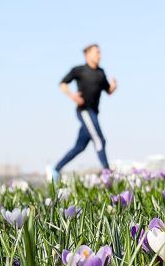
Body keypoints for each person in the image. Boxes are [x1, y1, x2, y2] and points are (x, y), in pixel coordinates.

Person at [50, 44, 117, 180]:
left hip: (94, 112)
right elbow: (62, 84)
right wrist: (72, 96)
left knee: (79, 147)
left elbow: (108, 90)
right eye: (96, 52)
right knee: (99, 140)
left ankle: (56, 169)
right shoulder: (79, 70)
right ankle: (107, 173)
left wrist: (113, 87)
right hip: (84, 111)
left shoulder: (101, 73)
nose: (99, 55)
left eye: (100, 52)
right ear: (87, 55)